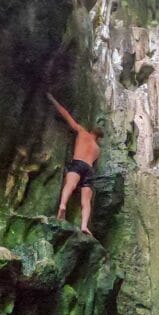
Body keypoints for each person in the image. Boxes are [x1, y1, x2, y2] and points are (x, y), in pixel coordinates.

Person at [46, 92, 103, 236]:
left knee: (70, 185)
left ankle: (63, 206)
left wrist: (53, 100)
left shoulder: (83, 133)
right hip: (89, 169)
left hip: (78, 163)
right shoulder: (97, 149)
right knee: (86, 201)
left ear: (92, 131)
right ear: (99, 138)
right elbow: (94, 163)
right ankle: (84, 225)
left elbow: (66, 116)